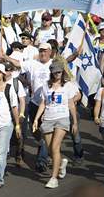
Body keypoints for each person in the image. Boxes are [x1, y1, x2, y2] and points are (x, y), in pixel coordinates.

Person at [2, 42, 53, 174]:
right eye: (41, 50)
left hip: (50, 105)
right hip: (35, 103)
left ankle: (41, 160)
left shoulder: (54, 64)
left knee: (45, 130)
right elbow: (18, 64)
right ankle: (44, 145)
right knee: (35, 131)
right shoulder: (32, 63)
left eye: (45, 51)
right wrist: (5, 57)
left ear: (50, 52)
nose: (42, 53)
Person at [32, 60, 78, 189]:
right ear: (51, 73)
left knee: (55, 147)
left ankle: (54, 178)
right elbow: (43, 103)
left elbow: (71, 104)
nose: (57, 74)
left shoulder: (68, 85)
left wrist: (74, 122)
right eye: (55, 72)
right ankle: (61, 163)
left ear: (63, 72)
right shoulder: (46, 86)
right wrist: (36, 119)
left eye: (59, 71)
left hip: (62, 118)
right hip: (48, 118)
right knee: (51, 148)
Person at [3, 62, 27, 167]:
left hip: (15, 113)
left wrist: (21, 114)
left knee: (19, 136)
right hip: (3, 114)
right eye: (4, 70)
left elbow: (22, 100)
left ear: (11, 71)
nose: (6, 72)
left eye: (8, 70)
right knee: (4, 136)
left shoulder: (16, 83)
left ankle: (19, 155)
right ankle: (3, 157)